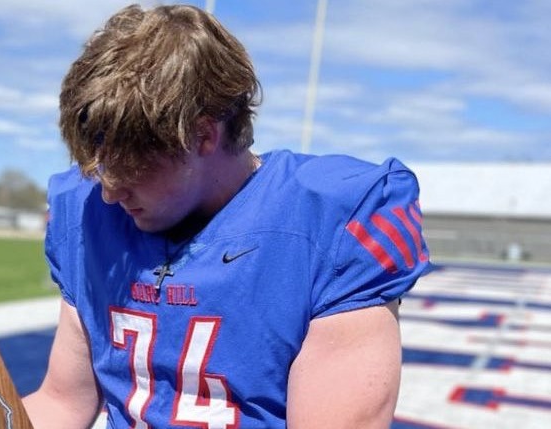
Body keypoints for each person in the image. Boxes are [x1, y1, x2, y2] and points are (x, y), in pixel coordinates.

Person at [22, 4, 430, 428]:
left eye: (132, 163)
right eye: (101, 165)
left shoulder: (330, 220)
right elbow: (62, 402)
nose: (109, 191)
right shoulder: (87, 213)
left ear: (202, 134)